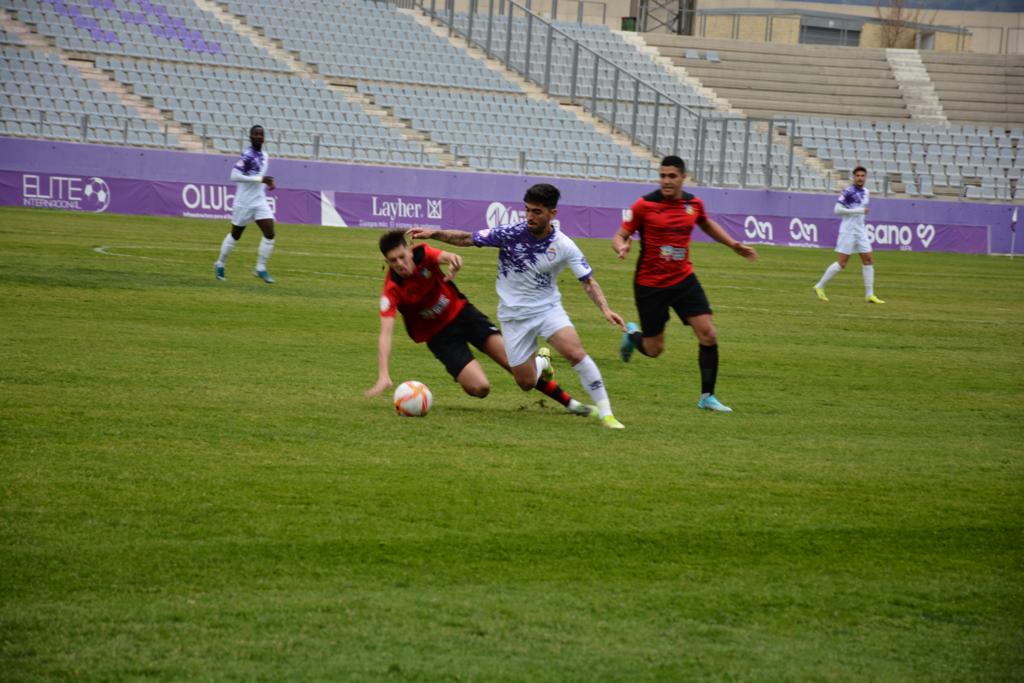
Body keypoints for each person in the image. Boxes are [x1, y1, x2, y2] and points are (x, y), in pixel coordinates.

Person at [409, 183, 627, 429]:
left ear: (552, 214)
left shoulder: (565, 245)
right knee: (525, 382)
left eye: (537, 212)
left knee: (575, 352)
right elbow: (468, 238)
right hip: (513, 317)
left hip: (547, 310)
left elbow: (587, 281)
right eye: (528, 210)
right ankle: (542, 364)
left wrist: (605, 309)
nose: (530, 217)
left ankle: (607, 413)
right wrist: (434, 233)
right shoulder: (510, 233)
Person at [365, 230, 598, 420]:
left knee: (515, 366)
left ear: (408, 249)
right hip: (440, 337)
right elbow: (385, 334)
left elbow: (443, 256)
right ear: (387, 262)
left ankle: (571, 403)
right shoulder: (391, 290)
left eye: (402, 257)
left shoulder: (423, 254)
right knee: (480, 389)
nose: (400, 264)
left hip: (465, 316)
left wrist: (453, 259)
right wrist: (383, 374)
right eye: (393, 261)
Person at [612, 155, 757, 413]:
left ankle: (707, 397)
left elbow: (705, 223)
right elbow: (621, 234)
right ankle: (632, 335)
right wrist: (621, 246)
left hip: (683, 279)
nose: (666, 181)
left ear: (683, 178)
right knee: (654, 349)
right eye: (662, 176)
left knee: (708, 334)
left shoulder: (694, 204)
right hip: (650, 284)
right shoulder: (644, 205)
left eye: (672, 176)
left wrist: (733, 244)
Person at [214, 124, 277, 284]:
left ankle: (260, 268)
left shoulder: (265, 155)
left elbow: (260, 176)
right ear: (250, 137)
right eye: (256, 134)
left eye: (261, 134)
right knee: (236, 235)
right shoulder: (247, 156)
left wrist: (267, 183)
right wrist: (259, 179)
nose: (259, 136)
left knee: (270, 233)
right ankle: (220, 263)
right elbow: (234, 175)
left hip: (259, 201)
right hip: (244, 202)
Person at [813, 166, 885, 304]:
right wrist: (858, 211)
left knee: (868, 259)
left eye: (862, 175)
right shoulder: (848, 191)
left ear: (865, 177)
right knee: (842, 263)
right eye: (857, 175)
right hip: (848, 230)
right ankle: (819, 286)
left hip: (861, 230)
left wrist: (860, 214)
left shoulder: (866, 192)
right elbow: (837, 210)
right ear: (853, 177)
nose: (860, 178)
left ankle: (869, 295)